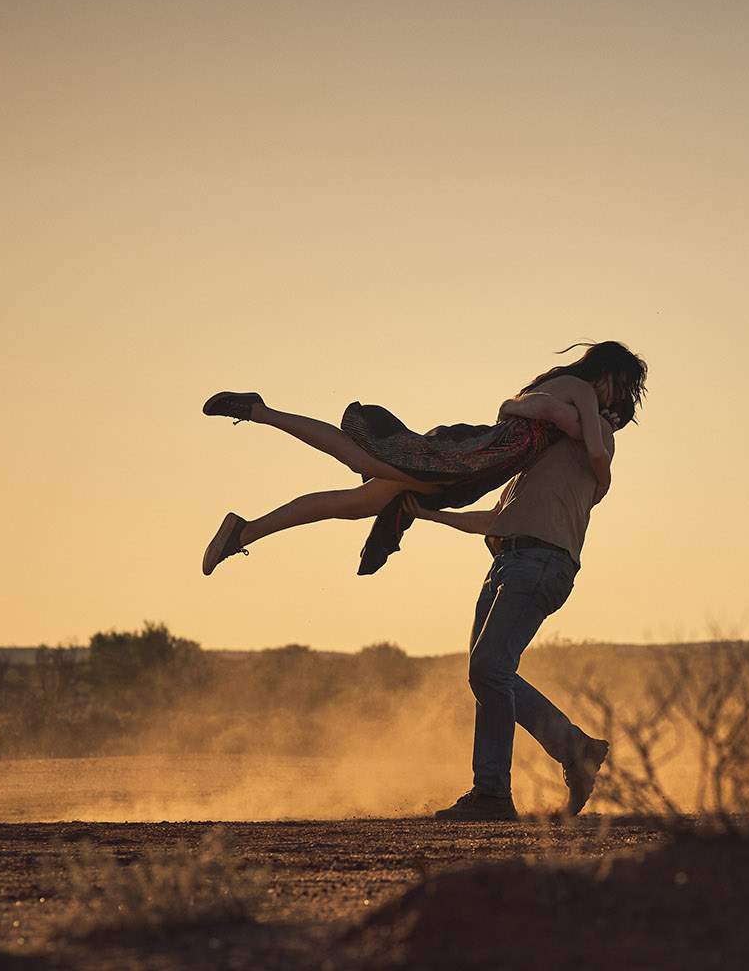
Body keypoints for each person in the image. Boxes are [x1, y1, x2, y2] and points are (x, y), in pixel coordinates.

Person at [417, 348, 645, 821]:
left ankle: (497, 791)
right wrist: (426, 514)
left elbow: (550, 409)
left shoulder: (595, 432)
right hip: (510, 559)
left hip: (540, 562)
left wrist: (512, 405)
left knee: (489, 670)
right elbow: (496, 519)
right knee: (489, 675)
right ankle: (561, 755)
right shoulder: (541, 462)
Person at [198, 341, 644, 578]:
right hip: (468, 458)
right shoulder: (582, 390)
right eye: (620, 393)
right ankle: (257, 410)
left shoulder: (561, 391)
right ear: (609, 376)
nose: (614, 405)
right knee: (365, 462)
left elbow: (526, 407)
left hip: (474, 466)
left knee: (355, 504)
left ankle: (245, 530)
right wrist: (602, 481)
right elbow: (588, 446)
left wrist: (518, 408)